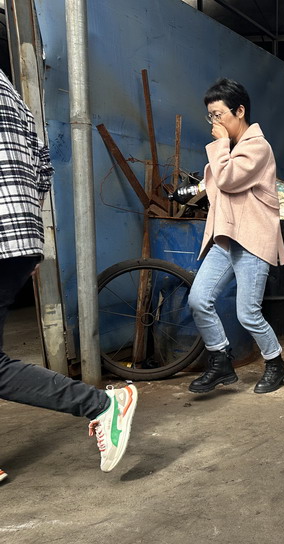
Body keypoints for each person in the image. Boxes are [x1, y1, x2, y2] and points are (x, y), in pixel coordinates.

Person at [0, 69, 137, 479]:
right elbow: (43, 163)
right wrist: (26, 233)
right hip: (18, 234)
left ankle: (102, 405)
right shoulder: (9, 89)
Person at [187, 78, 284, 394]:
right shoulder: (231, 147)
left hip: (252, 240)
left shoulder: (258, 147)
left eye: (219, 115)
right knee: (198, 299)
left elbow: (228, 179)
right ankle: (220, 360)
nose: (214, 123)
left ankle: (276, 365)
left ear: (240, 111)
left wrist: (219, 145)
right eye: (210, 116)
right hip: (227, 238)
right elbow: (217, 183)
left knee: (248, 313)